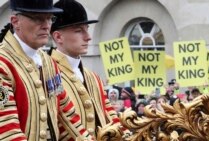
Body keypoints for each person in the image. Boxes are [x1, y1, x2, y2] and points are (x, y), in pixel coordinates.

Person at [0, 0, 94, 140]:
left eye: (50, 18)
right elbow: (7, 130)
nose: (46, 26)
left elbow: (68, 117)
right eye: (37, 18)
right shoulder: (3, 63)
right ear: (15, 21)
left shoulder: (49, 63)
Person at [49, 0, 130, 139]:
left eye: (86, 29)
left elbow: (111, 116)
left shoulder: (93, 77)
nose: (88, 37)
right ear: (58, 36)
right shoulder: (47, 74)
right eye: (79, 31)